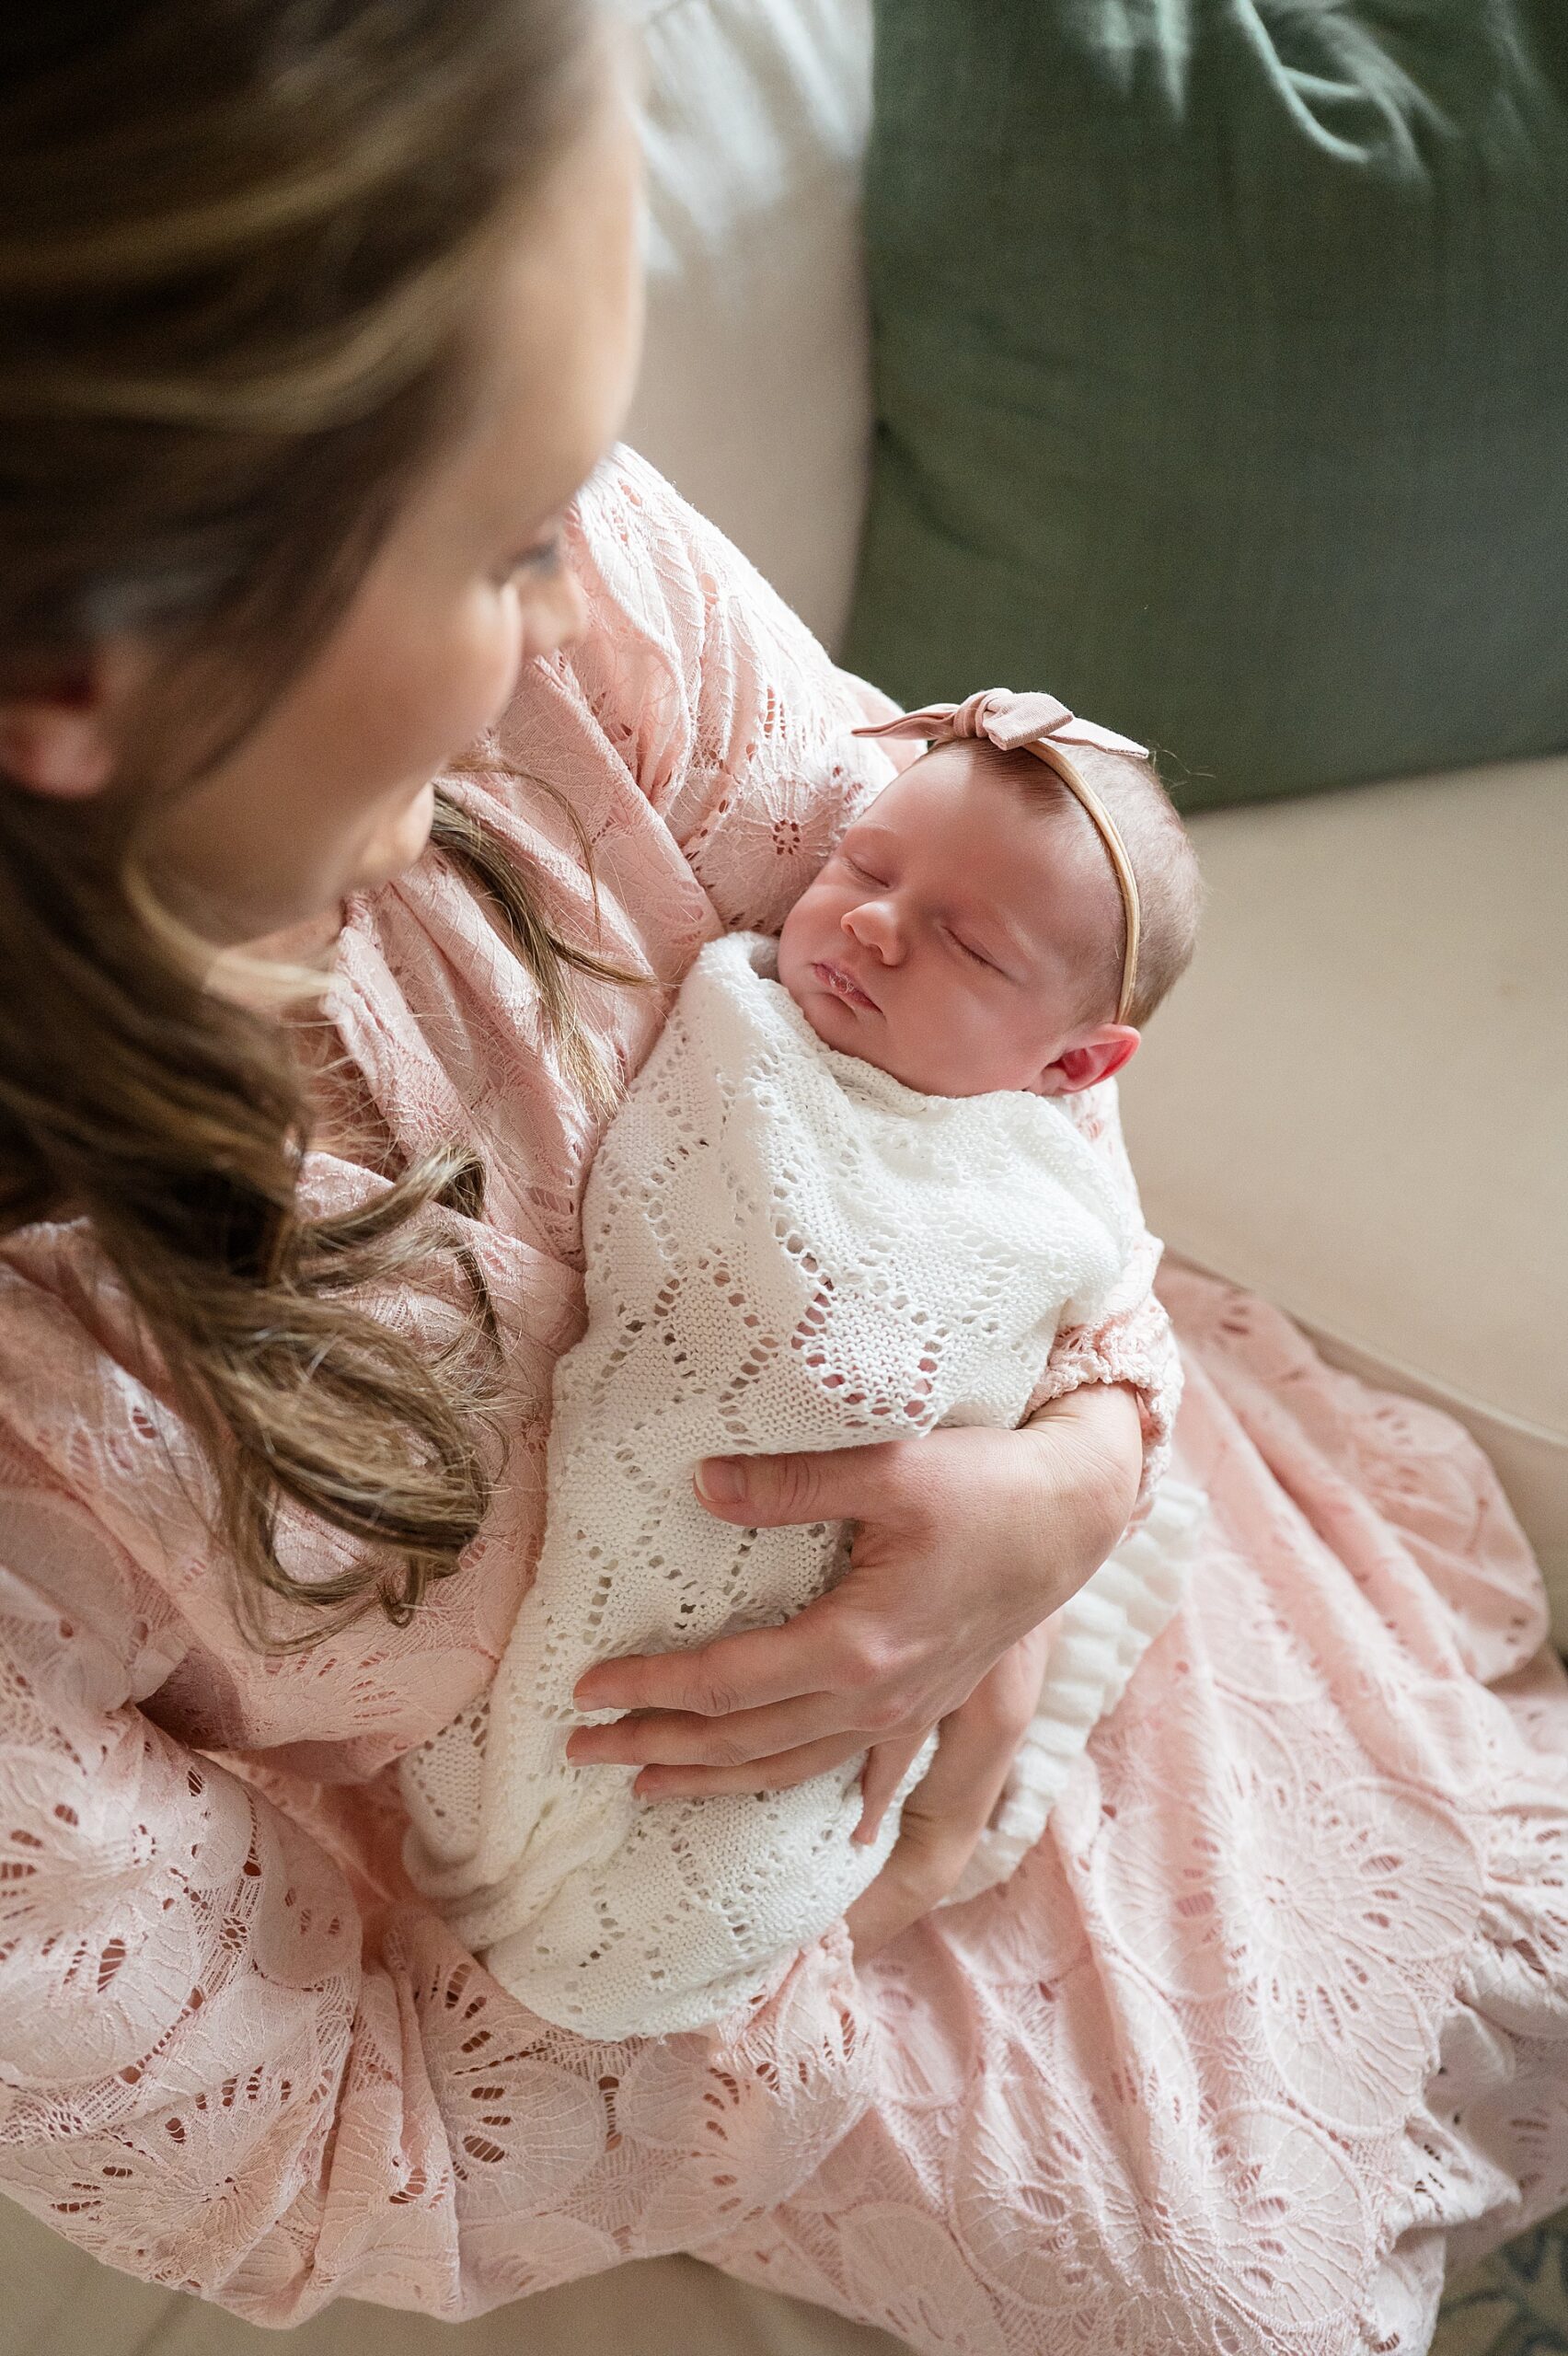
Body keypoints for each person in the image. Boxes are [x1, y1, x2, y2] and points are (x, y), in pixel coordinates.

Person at [0, 6, 1562, 2349]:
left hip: (1115, 1549)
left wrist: (1075, 1476)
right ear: (90, 677)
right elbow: (308, 2120)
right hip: (713, 1970)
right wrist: (761, 1920)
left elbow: (1021, 963)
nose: (577, 590)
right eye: (511, 541)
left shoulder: (559, 618)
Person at [398, 687, 1210, 2040]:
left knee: (755, 1854)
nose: (877, 926)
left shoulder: (1042, 1179)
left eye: (969, 945)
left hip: (895, 1579)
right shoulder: (746, 1025)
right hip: (649, 1537)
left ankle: (898, 1876)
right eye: (865, 867)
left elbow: (1097, 1319)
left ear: (1077, 1063)